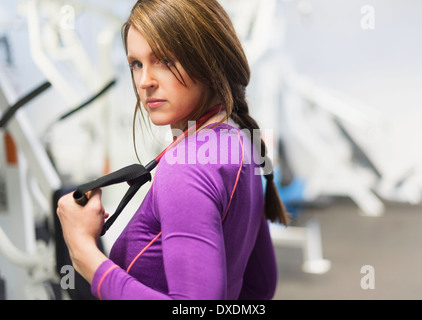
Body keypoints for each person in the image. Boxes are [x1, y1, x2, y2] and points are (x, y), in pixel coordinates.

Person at [56, 0, 289, 300]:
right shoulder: (239, 143)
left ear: (209, 62)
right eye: (136, 64)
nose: (144, 81)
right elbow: (260, 288)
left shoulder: (184, 168)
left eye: (164, 60)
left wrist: (84, 254)